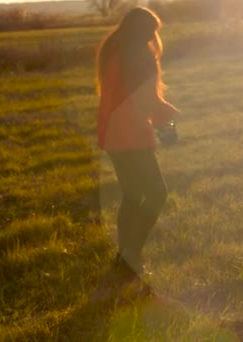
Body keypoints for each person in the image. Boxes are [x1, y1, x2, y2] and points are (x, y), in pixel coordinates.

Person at [95, 7, 179, 276]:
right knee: (156, 193)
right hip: (130, 133)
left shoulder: (115, 49)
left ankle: (124, 255)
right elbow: (144, 99)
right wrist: (168, 115)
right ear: (144, 31)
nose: (153, 36)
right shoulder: (137, 53)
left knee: (132, 194)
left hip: (111, 133)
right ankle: (132, 253)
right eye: (152, 31)